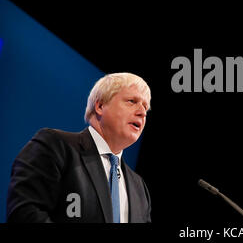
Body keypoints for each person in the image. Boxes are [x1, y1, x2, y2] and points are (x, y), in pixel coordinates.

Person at [7, 72, 152, 222]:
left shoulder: (140, 189)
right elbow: (25, 212)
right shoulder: (55, 146)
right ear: (100, 106)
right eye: (132, 101)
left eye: (145, 108)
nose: (142, 112)